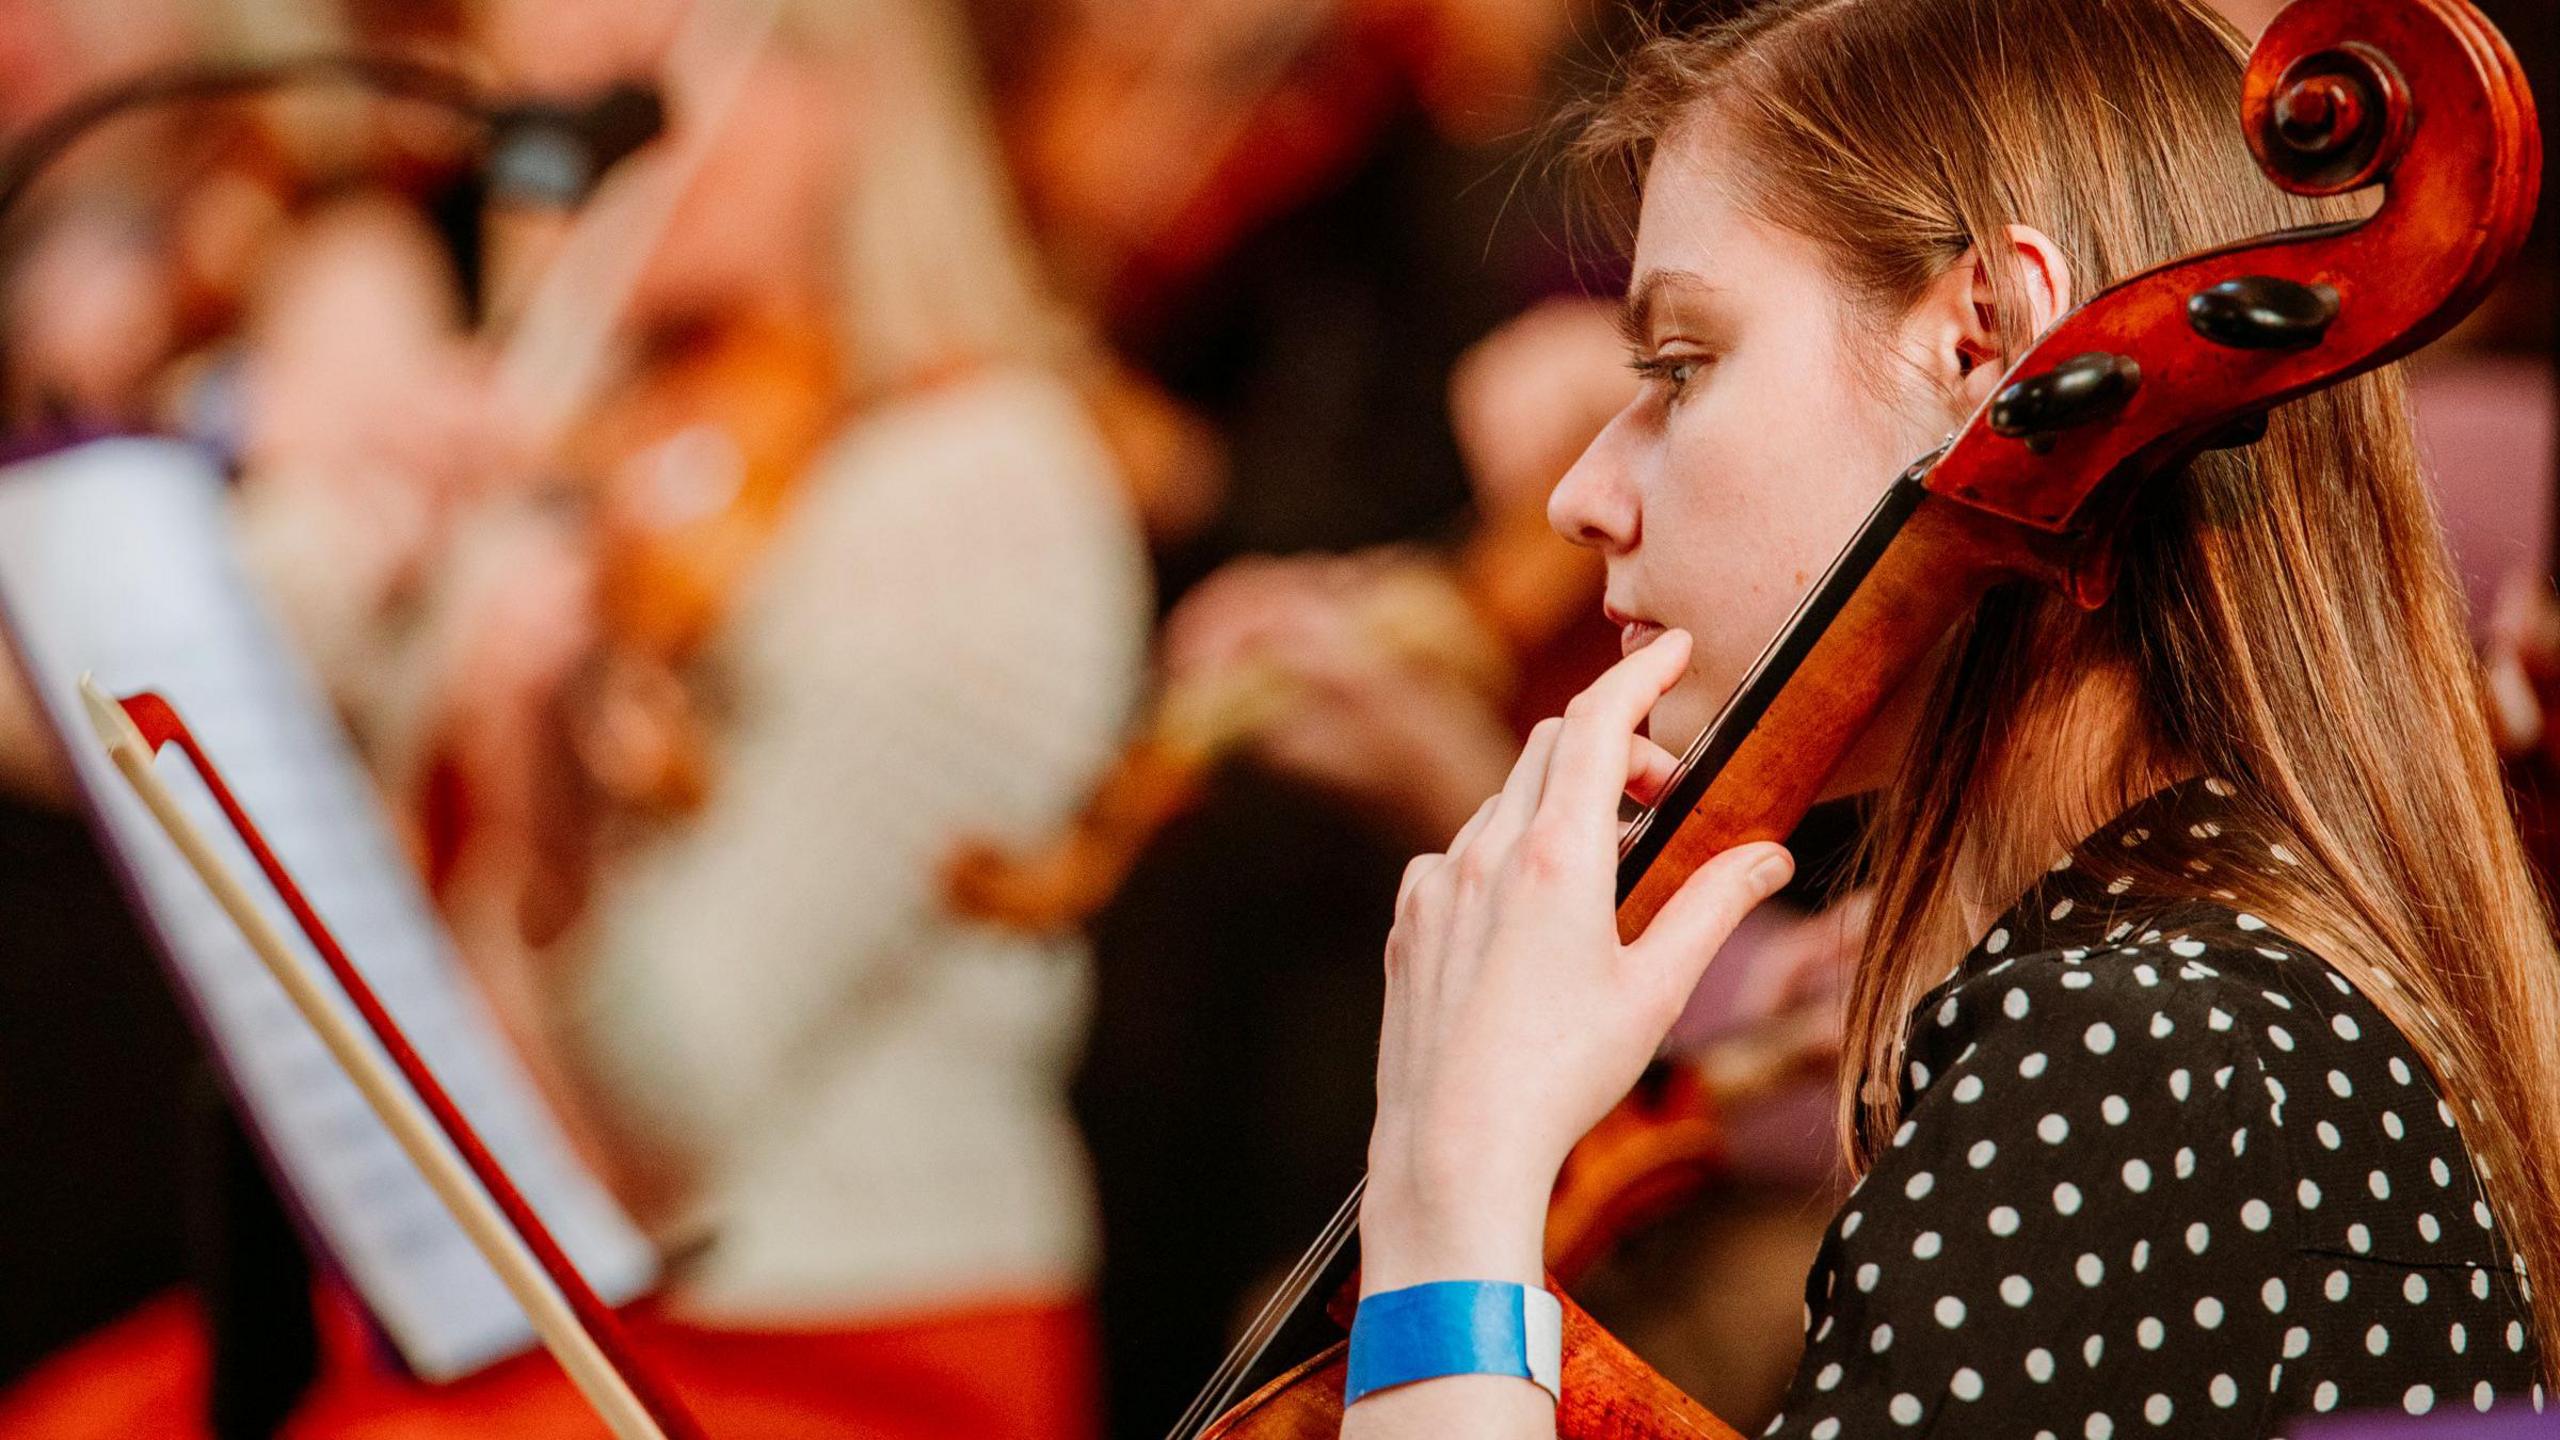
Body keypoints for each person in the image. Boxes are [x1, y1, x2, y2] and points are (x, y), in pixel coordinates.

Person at [1335, 1, 2560, 1436]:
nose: (1581, 498)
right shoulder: (2180, 1008)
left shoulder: (2137, 1056)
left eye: (1679, 368)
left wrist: (1450, 1194)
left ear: (1994, 344)